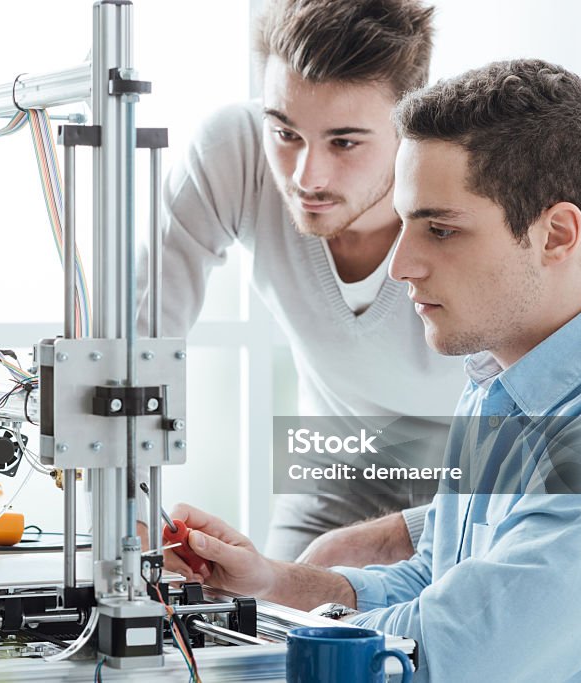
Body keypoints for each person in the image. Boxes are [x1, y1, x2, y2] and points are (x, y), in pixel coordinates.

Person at [162, 59, 581, 681]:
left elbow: (450, 652)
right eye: (406, 223)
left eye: (440, 229)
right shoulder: (500, 380)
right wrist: (273, 582)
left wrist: (263, 628)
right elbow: (436, 578)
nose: (400, 264)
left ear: (557, 235)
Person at [136, 0, 468, 563]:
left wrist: (373, 543)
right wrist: (133, 511)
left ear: (411, 123)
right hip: (335, 467)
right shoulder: (234, 152)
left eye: (344, 142)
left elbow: (570, 436)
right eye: (285, 132)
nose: (305, 176)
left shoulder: (469, 189)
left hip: (478, 472)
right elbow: (136, 335)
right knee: (279, 630)